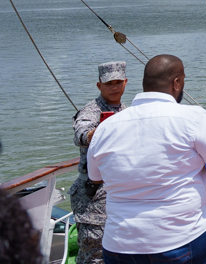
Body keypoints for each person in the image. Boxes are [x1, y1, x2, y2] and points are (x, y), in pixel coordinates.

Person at [86, 55, 206, 264]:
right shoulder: (192, 117)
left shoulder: (105, 128)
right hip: (179, 241)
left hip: (118, 245)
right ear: (177, 83)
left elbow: (96, 176)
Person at [70, 61, 128, 264]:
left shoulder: (128, 112)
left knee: (122, 246)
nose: (114, 87)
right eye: (108, 83)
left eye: (118, 82)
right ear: (99, 85)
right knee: (94, 252)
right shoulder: (91, 110)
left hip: (121, 190)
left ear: (125, 83)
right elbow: (81, 135)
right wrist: (101, 130)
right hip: (92, 195)